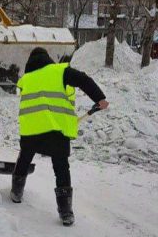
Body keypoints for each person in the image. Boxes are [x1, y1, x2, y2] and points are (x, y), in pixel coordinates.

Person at [12, 47, 109, 225]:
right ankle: (65, 213)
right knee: (61, 167)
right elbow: (83, 79)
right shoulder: (59, 71)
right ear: (47, 59)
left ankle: (16, 193)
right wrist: (99, 98)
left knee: (24, 158)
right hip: (56, 130)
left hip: (31, 130)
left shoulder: (26, 79)